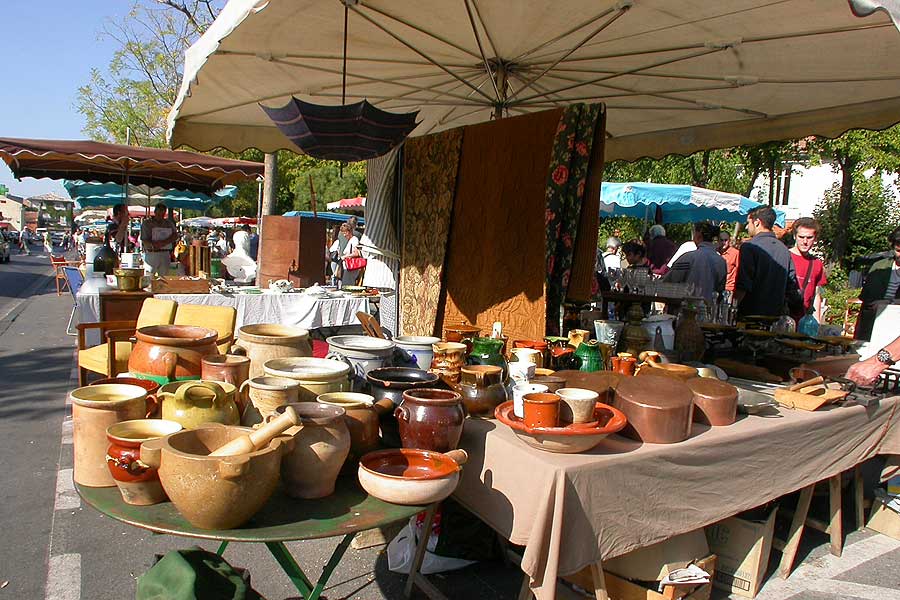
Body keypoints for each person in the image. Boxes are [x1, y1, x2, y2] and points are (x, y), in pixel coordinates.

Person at [734, 206, 802, 318]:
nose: (747, 227)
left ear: (757, 222)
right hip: (775, 315)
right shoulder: (784, 250)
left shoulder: (749, 247)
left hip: (750, 315)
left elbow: (743, 283)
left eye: (748, 223)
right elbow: (791, 285)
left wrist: (733, 307)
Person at [663, 222, 727, 305]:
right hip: (710, 311)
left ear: (698, 235)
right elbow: (720, 291)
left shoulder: (688, 257)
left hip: (685, 310)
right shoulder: (721, 261)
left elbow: (669, 282)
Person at [856, 226, 900, 340]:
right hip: (874, 326)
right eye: (898, 250)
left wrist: (889, 302)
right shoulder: (879, 267)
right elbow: (866, 303)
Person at [789, 217, 827, 321]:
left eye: (809, 237)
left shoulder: (817, 263)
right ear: (795, 236)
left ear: (815, 239)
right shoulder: (785, 257)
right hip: (784, 317)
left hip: (804, 320)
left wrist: (817, 322)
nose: (805, 241)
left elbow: (816, 295)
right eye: (801, 237)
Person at [140, 203, 178, 277]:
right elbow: (144, 239)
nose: (160, 215)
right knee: (149, 276)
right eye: (159, 213)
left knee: (164, 278)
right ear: (155, 212)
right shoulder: (147, 223)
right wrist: (153, 245)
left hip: (165, 253)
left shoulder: (168, 223)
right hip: (151, 253)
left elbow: (175, 235)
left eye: (162, 213)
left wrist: (163, 242)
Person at [329, 222, 361, 287]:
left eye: (345, 232)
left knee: (347, 284)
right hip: (347, 267)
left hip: (351, 267)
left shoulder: (354, 240)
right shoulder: (350, 240)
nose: (344, 235)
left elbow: (356, 253)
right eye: (343, 233)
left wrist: (345, 256)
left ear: (350, 231)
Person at [717, 230, 740, 299]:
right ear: (718, 241)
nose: (724, 242)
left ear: (729, 240)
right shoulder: (714, 252)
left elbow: (740, 271)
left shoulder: (735, 253)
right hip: (715, 288)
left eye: (726, 240)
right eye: (721, 240)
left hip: (728, 289)